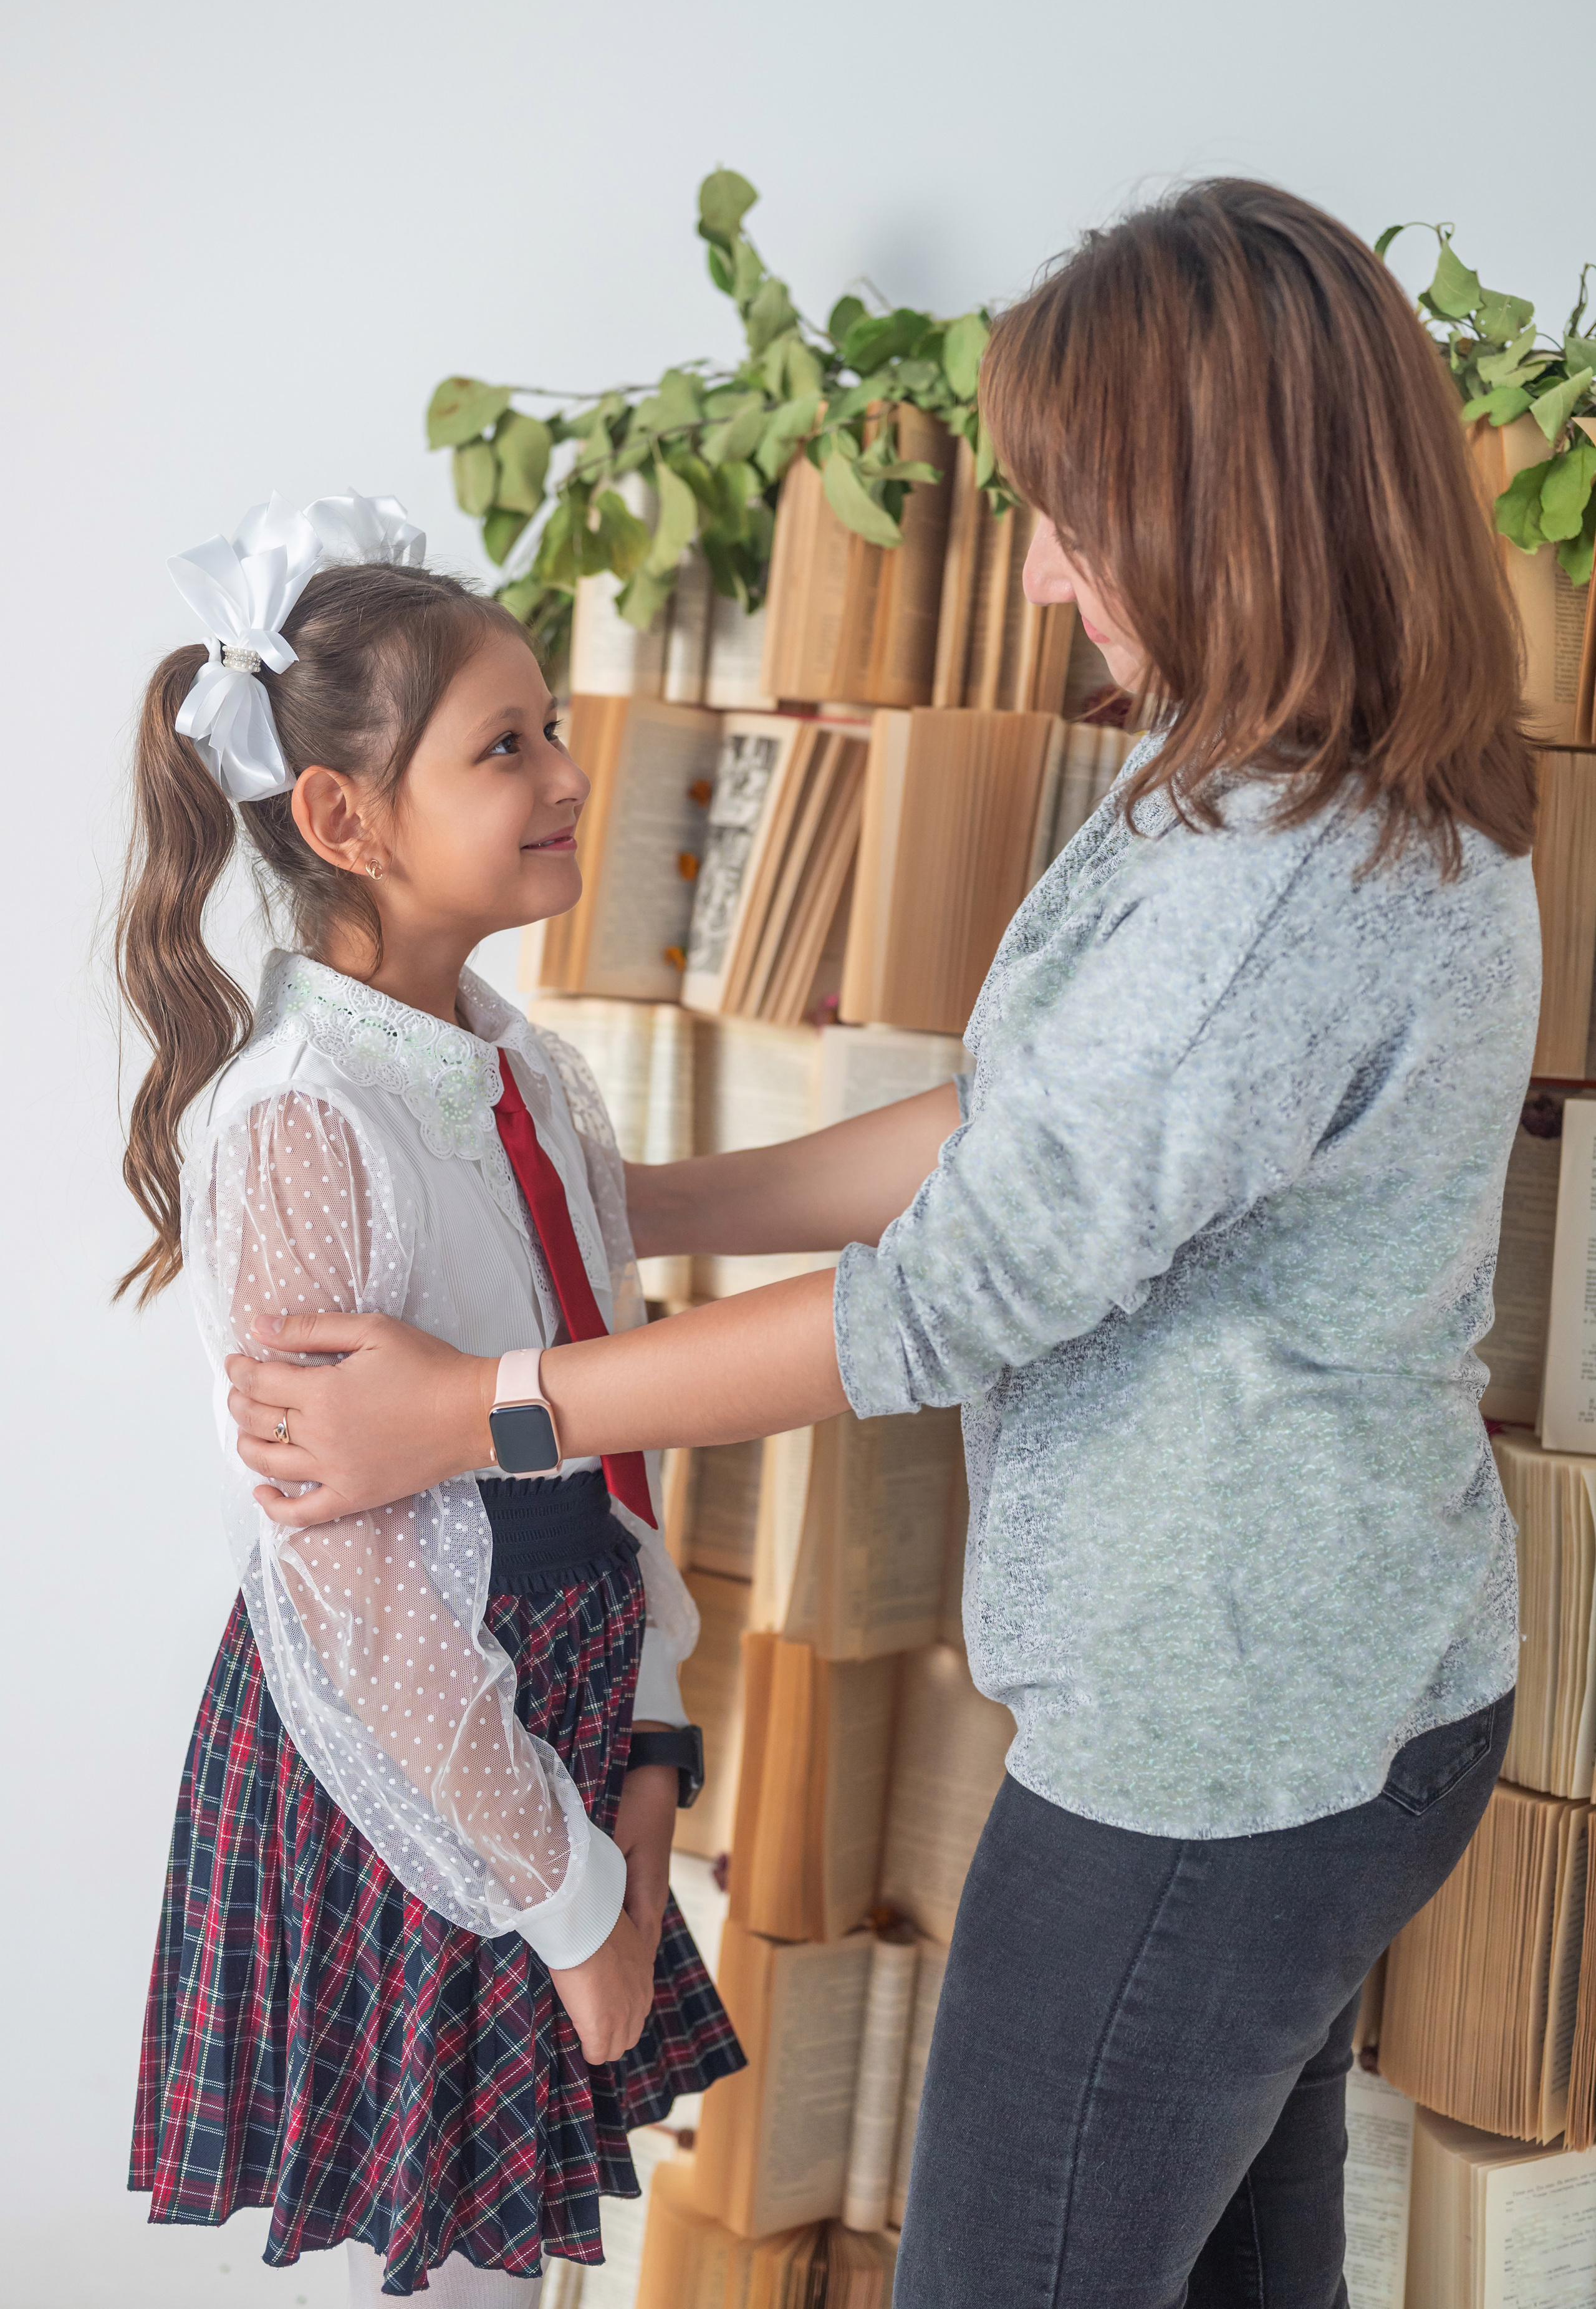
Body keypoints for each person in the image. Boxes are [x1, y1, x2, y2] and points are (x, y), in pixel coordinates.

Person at [223, 183, 1539, 2307]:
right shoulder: (1234, 778)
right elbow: (1010, 1132)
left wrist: (478, 1408)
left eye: (1076, 517)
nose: (1036, 572)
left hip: (1228, 1742)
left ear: (1234, 509)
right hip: (1329, 1689)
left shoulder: (1282, 888)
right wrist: (618, 1208)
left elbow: (953, 1292)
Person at [117, 491, 743, 2305]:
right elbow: (366, 1588)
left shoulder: (525, 1069)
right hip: (430, 1764)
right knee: (437, 2270)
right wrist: (562, 1894)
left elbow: (601, 1415)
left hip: (559, 1711)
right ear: (342, 819)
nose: (564, 767)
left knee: (511, 2265)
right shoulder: (306, 1115)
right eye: (506, 743)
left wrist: (646, 1721)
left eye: (553, 724)